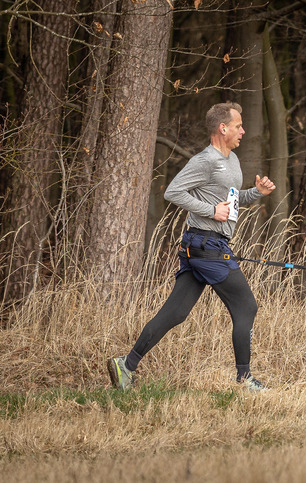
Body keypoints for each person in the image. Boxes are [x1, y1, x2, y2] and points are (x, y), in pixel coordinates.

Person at [107, 102, 275, 392]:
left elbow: (230, 201)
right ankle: (245, 379)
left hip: (204, 246)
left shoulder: (232, 160)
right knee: (246, 305)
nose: (243, 131)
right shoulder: (205, 160)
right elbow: (173, 192)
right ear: (223, 128)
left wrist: (255, 193)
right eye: (238, 126)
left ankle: (127, 364)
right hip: (206, 245)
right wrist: (210, 211)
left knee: (176, 313)